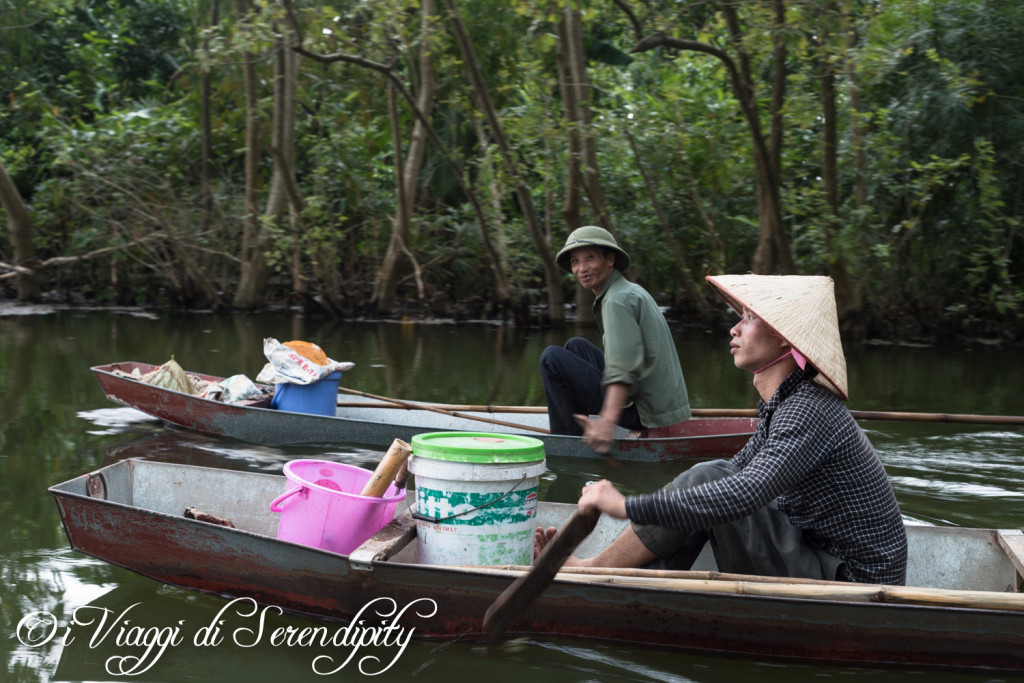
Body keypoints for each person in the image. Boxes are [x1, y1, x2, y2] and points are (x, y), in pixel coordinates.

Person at [537, 274, 908, 585]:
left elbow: (743, 492)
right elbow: (731, 477)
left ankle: (594, 573)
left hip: (851, 583)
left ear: (782, 338)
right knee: (710, 482)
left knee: (709, 480)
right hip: (819, 556)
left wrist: (624, 505)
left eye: (748, 318)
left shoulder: (808, 409)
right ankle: (616, 579)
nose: (734, 328)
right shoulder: (783, 406)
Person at [539, 226, 691, 453]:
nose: (581, 269)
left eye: (590, 258)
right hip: (656, 402)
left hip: (646, 412)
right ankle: (580, 425)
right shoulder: (626, 290)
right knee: (575, 346)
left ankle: (566, 444)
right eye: (575, 261)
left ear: (610, 259)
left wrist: (607, 423)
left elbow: (623, 368)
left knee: (551, 358)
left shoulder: (616, 300)